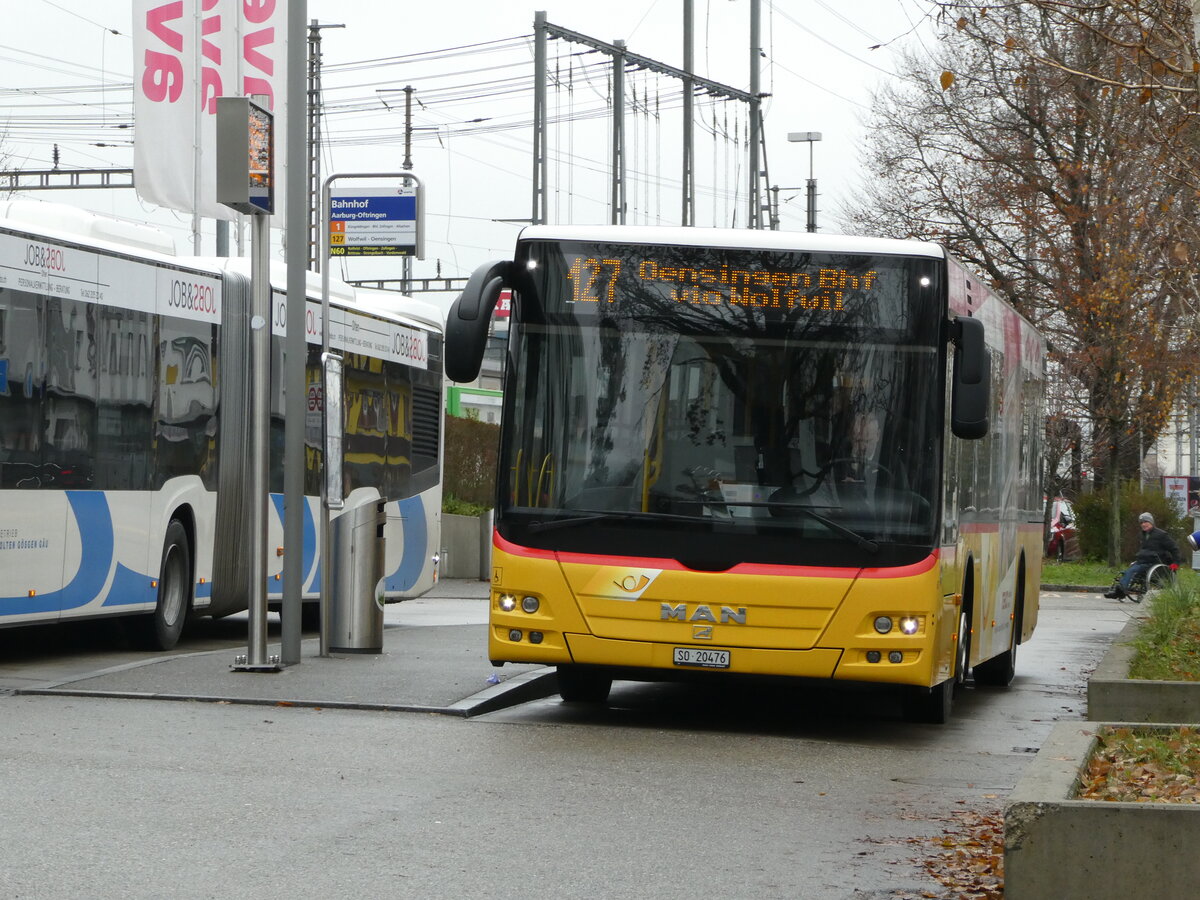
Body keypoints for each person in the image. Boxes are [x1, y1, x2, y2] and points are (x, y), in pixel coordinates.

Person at [1104, 512, 1181, 601]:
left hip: (1154, 562)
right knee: (1127, 571)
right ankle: (1120, 589)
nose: (1143, 524)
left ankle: (1120, 591)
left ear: (1151, 522)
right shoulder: (1143, 535)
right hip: (1143, 561)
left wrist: (1175, 563)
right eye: (1141, 523)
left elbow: (1174, 549)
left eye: (1145, 522)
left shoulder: (1162, 535)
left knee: (1132, 570)